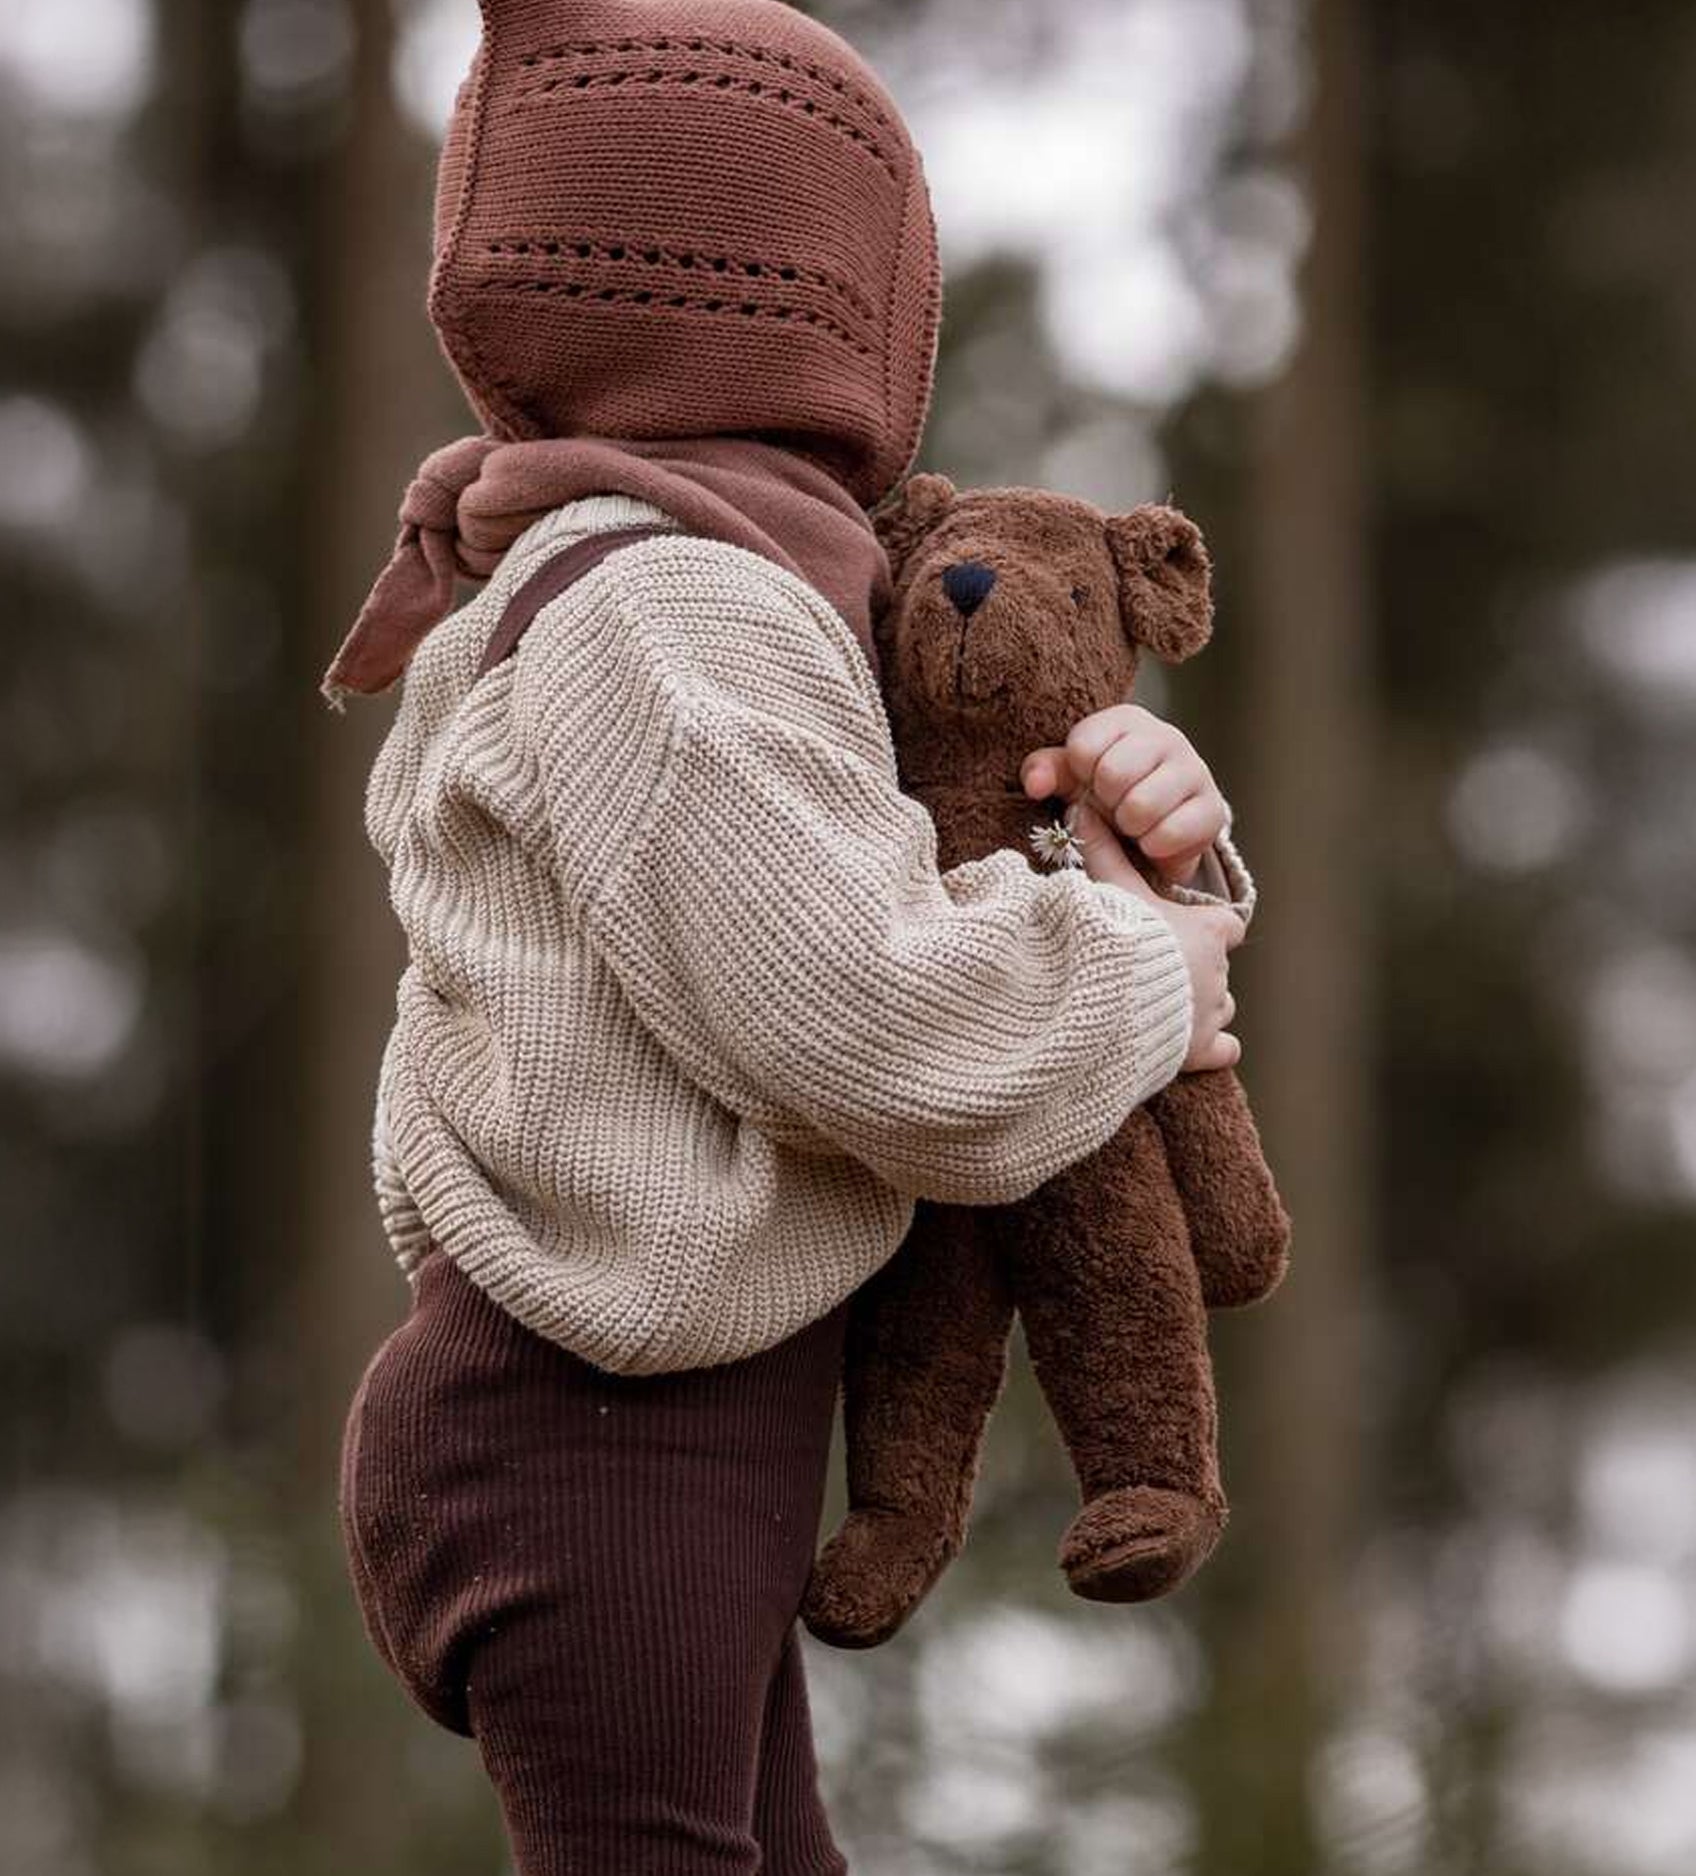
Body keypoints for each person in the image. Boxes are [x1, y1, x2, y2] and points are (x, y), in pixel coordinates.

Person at [324, 3, 1251, 1870]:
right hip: (593, 1435)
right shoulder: (673, 609)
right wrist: (1143, 969)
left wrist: (1150, 854)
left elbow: (908, 885)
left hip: (664, 1424)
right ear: (830, 295)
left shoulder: (721, 588)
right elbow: (873, 1027)